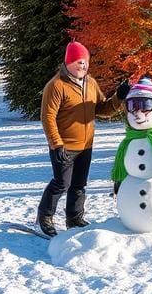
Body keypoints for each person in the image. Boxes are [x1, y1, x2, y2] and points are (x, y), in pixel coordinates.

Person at [36, 40, 125, 237]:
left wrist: (119, 97)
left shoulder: (91, 83)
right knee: (61, 184)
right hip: (64, 145)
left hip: (86, 145)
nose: (82, 66)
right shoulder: (56, 86)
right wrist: (56, 144)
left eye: (85, 62)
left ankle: (74, 218)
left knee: (79, 184)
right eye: (78, 62)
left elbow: (103, 109)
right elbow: (47, 117)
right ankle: (44, 217)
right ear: (68, 63)